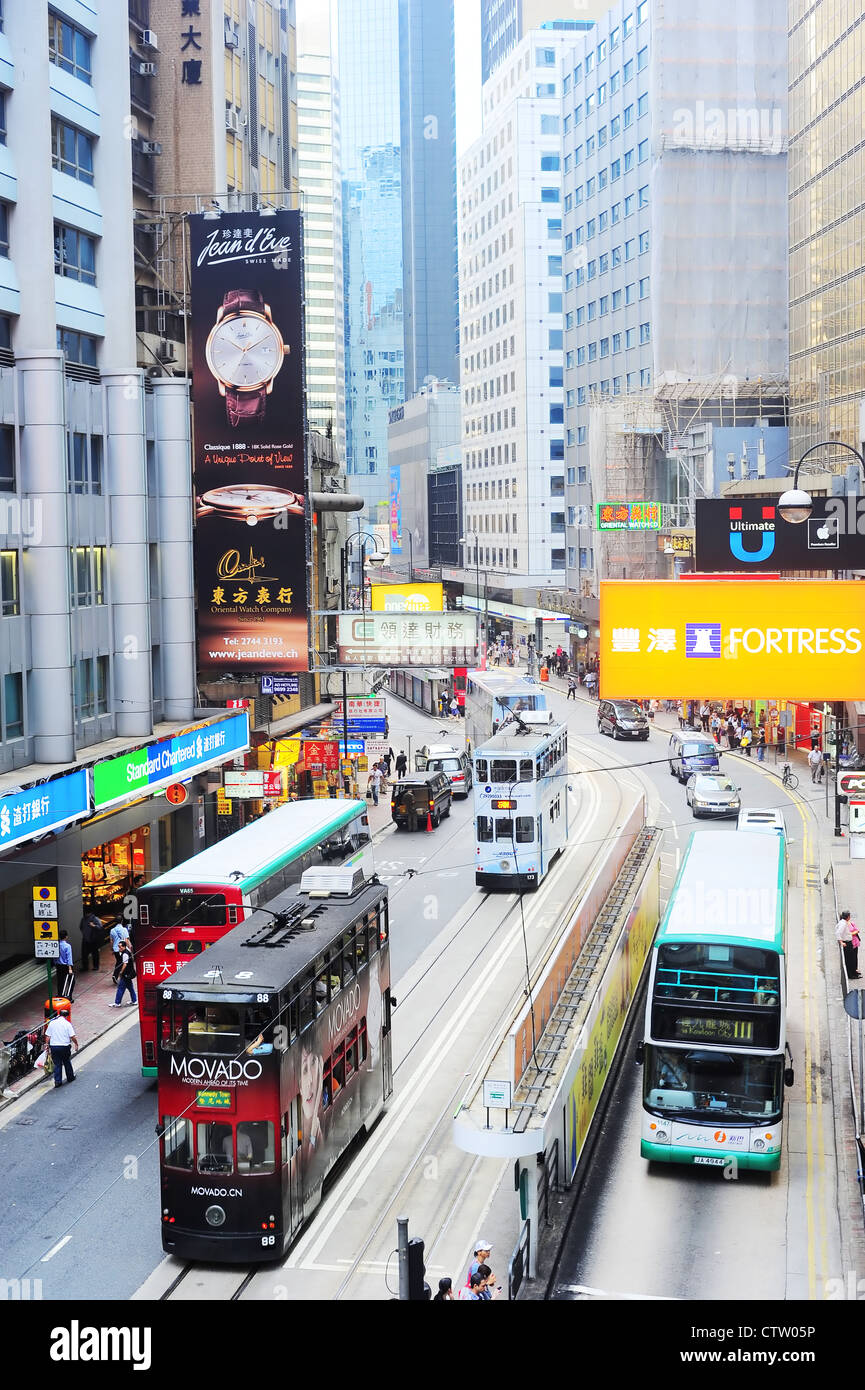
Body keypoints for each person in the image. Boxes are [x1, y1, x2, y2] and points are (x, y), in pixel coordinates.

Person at [45, 1010, 78, 1088]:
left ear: (59, 1015)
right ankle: (70, 1077)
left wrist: (47, 1045)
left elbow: (48, 1036)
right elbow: (72, 1036)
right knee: (67, 1061)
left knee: (57, 1064)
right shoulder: (67, 1024)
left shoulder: (52, 1023)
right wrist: (76, 1044)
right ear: (66, 1016)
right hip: (65, 1046)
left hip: (54, 1047)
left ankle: (57, 1081)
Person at [836, 910, 861, 979]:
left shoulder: (843, 922)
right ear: (848, 917)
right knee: (849, 959)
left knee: (851, 958)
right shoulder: (843, 924)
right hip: (847, 942)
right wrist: (841, 942)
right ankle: (851, 975)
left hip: (848, 942)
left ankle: (853, 973)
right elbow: (838, 933)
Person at [109, 919, 131, 984]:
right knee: (123, 963)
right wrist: (128, 948)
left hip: (116, 949)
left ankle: (116, 975)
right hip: (123, 949)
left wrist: (112, 949)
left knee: (119, 962)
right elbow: (126, 940)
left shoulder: (112, 930)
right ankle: (116, 975)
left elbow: (111, 941)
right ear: (122, 921)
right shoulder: (124, 929)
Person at [55, 930, 74, 1000]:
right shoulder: (67, 946)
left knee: (60, 981)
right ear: (66, 937)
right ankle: (69, 996)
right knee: (71, 981)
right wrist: (70, 968)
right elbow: (69, 958)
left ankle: (60, 995)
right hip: (66, 966)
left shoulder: (56, 945)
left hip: (58, 965)